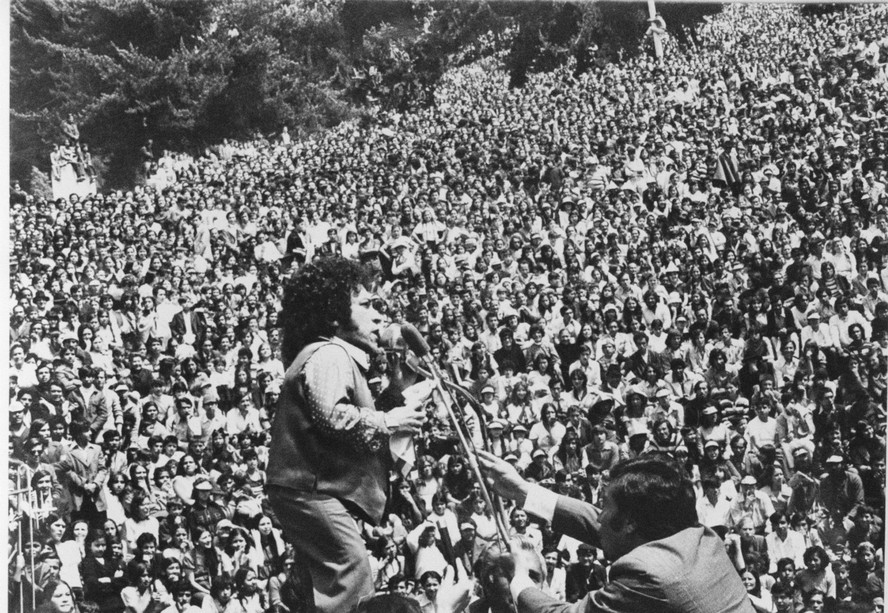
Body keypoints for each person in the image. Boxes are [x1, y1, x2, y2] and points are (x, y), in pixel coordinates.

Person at [266, 257, 429, 613]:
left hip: (307, 487)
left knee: (321, 580)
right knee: (352, 567)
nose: (378, 317)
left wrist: (396, 393)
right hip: (307, 486)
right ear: (334, 315)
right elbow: (333, 417)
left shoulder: (335, 356)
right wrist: (389, 420)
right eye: (367, 305)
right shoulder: (329, 353)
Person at [477, 450, 754, 612]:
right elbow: (603, 525)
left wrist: (519, 579)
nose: (600, 517)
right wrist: (523, 491)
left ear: (631, 521)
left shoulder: (649, 577)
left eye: (605, 507)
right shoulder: (701, 539)